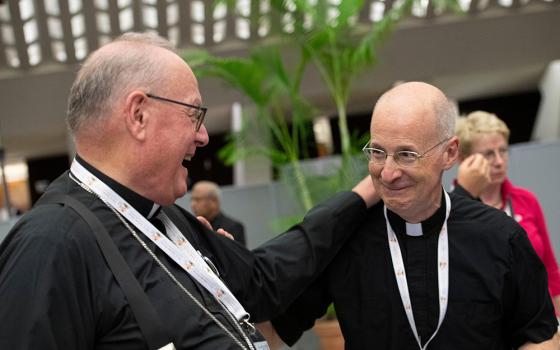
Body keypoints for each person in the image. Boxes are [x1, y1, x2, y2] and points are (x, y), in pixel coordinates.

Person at [0, 32, 378, 350]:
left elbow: (263, 281)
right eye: (193, 114)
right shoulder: (50, 244)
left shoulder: (165, 220)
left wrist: (365, 195)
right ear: (139, 115)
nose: (203, 135)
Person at [270, 82, 558, 349]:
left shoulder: (499, 236)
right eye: (378, 152)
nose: (388, 172)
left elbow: (540, 334)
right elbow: (272, 331)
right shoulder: (345, 241)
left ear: (450, 153)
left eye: (407, 154)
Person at [454, 110, 560, 314]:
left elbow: (550, 268)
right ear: (463, 159)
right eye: (488, 154)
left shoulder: (526, 200)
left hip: (540, 323)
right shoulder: (453, 209)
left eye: (502, 150)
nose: (499, 161)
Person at [191, 180, 247, 247]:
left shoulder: (234, 228)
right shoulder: (192, 225)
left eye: (198, 199)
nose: (193, 204)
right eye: (192, 199)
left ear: (214, 201)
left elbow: (239, 255)